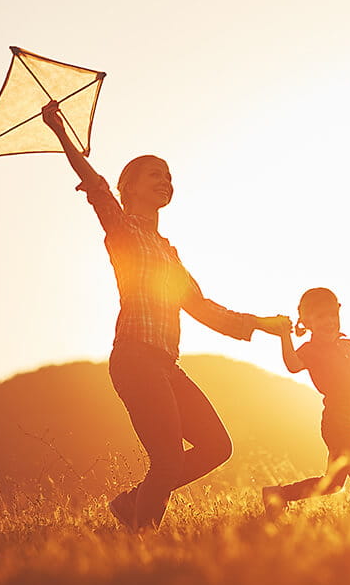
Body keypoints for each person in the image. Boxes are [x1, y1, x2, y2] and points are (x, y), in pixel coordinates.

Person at [41, 100, 285, 532]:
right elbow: (94, 185)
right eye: (154, 173)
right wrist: (61, 133)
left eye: (169, 176)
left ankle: (131, 505)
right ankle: (142, 534)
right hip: (135, 360)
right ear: (127, 187)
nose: (165, 181)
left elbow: (204, 308)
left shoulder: (169, 254)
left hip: (167, 366)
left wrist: (262, 324)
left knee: (216, 447)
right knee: (168, 459)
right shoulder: (122, 229)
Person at [263, 287, 350, 516]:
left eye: (332, 315)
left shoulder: (348, 346)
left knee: (334, 484)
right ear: (307, 322)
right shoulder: (312, 349)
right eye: (320, 316)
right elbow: (293, 365)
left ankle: (279, 495)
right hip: (336, 423)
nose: (329, 321)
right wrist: (285, 336)